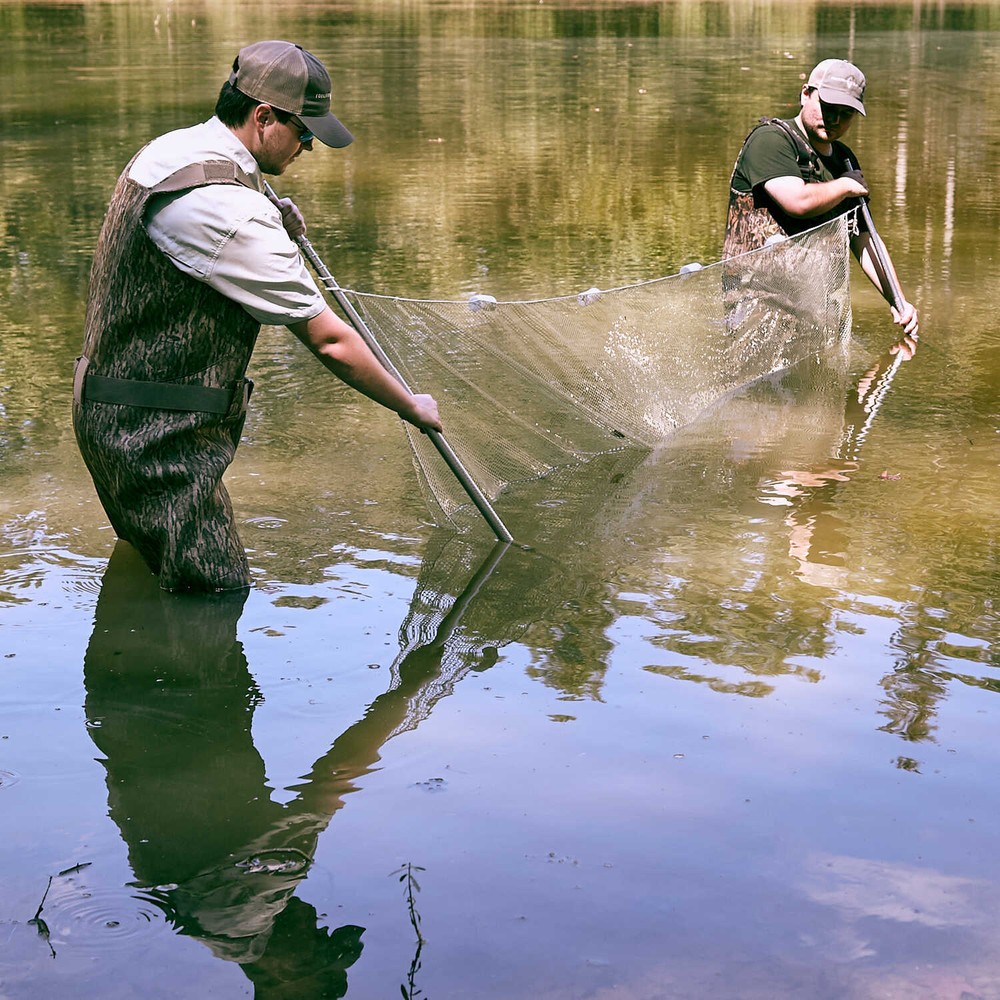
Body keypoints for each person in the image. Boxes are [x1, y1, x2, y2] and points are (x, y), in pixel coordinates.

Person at [73, 40, 441, 593]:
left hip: (108, 407)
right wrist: (411, 406)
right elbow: (330, 342)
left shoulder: (177, 149)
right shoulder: (233, 214)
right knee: (216, 594)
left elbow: (200, 220)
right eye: (305, 132)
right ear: (264, 117)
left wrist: (267, 203)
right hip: (155, 441)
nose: (310, 147)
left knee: (158, 568)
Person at [723, 58, 919, 354]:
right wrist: (843, 185)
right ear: (805, 94)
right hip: (757, 307)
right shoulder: (771, 141)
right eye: (828, 108)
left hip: (816, 308)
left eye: (847, 113)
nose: (836, 120)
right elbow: (798, 202)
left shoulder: (844, 160)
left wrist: (898, 301)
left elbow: (863, 238)